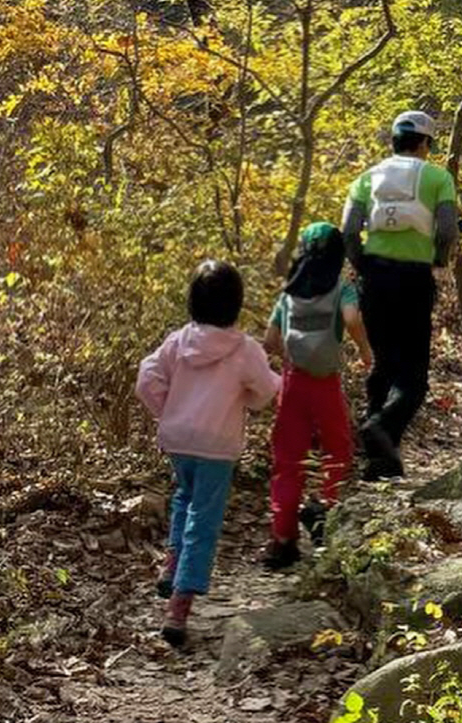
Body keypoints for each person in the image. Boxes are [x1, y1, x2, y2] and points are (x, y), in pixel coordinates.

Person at [135, 261, 280, 646]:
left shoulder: (178, 342)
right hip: (216, 445)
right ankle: (179, 606)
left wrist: (167, 411)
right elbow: (265, 392)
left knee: (184, 498)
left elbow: (146, 377)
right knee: (205, 518)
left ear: (193, 302)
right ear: (236, 304)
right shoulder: (245, 350)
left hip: (179, 440)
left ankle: (171, 567)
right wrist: (253, 394)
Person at [342, 110, 459, 481]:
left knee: (383, 365)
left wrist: (362, 265)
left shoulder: (366, 178)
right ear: (425, 143)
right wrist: (439, 258)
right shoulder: (438, 177)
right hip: (413, 280)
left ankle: (380, 461)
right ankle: (379, 427)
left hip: (373, 279)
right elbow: (446, 229)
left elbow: (348, 230)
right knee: (414, 377)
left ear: (394, 140)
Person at [262, 222, 372, 569]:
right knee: (337, 448)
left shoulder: (289, 293)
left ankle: (282, 539)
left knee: (287, 459)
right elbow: (352, 319)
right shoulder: (342, 288)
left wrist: (289, 358)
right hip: (326, 382)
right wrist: (365, 351)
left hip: (293, 383)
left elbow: (270, 340)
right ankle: (324, 510)